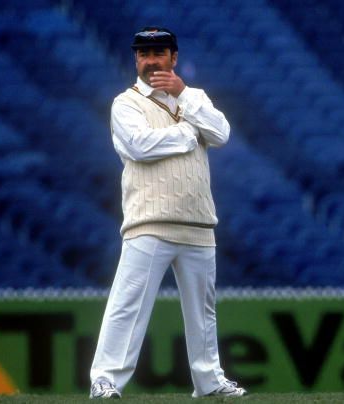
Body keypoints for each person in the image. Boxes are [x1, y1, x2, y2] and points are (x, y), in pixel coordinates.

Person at [89, 26, 246, 399]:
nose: (151, 61)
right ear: (136, 60)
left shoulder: (194, 97)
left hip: (198, 220)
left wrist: (184, 97)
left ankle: (209, 382)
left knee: (203, 312)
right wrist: (189, 135)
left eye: (159, 53)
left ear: (173, 58)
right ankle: (105, 379)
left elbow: (222, 133)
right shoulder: (125, 103)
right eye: (144, 54)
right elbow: (140, 145)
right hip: (149, 221)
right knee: (127, 304)